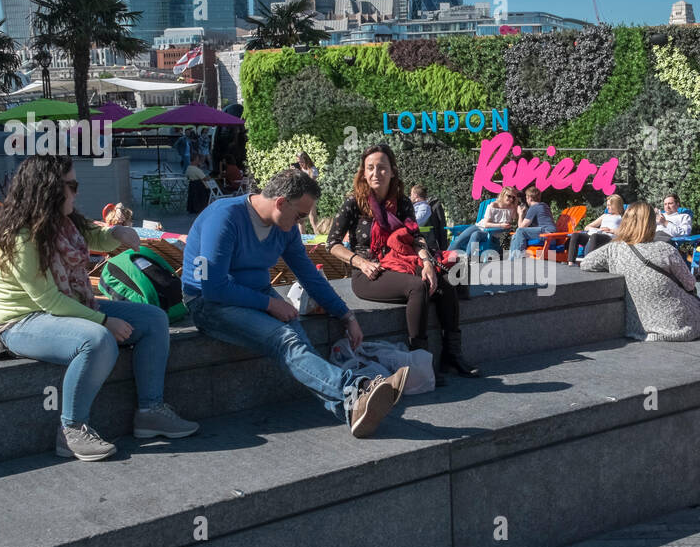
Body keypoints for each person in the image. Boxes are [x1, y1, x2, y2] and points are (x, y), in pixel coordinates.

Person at [0, 154, 197, 461]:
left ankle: (151, 412)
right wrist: (103, 320)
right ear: (48, 189)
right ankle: (71, 430)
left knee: (153, 319)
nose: (77, 190)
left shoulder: (62, 221)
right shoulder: (22, 238)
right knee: (97, 340)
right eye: (71, 185)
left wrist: (117, 234)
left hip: (67, 306)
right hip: (22, 321)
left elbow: (94, 236)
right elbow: (48, 301)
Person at [185, 167, 409, 437]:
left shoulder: (285, 228)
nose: (301, 221)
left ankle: (351, 411)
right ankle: (357, 389)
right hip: (208, 303)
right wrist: (270, 305)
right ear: (280, 202)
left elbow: (309, 276)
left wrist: (345, 315)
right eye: (300, 215)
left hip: (253, 295)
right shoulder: (223, 218)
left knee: (297, 340)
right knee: (285, 339)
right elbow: (213, 287)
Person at [329, 144, 479, 382]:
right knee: (417, 287)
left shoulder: (402, 203)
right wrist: (360, 263)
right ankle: (419, 361)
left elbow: (416, 237)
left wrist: (428, 263)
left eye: (381, 167)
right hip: (370, 273)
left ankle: (452, 354)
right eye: (370, 168)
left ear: (392, 172)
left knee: (445, 285)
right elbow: (333, 244)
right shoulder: (354, 203)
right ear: (363, 172)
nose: (375, 173)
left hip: (402, 263)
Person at [579, 201, 700, 342]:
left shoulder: (613, 250)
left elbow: (586, 263)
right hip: (683, 327)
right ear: (651, 224)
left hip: (639, 328)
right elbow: (689, 284)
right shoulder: (665, 249)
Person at [449, 186, 520, 257]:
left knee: (476, 234)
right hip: (480, 227)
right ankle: (444, 257)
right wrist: (501, 225)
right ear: (503, 194)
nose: (511, 199)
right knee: (459, 240)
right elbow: (486, 224)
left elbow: (513, 222)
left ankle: (467, 258)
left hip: (491, 233)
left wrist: (516, 205)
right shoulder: (494, 205)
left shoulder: (512, 208)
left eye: (513, 197)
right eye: (509, 196)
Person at [567, 194, 624, 266]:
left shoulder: (622, 217)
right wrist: (598, 229)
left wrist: (611, 230)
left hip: (609, 239)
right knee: (576, 235)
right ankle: (571, 263)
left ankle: (588, 264)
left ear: (616, 205)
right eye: (607, 205)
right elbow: (587, 227)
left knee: (595, 236)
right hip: (597, 235)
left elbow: (626, 232)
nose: (607, 207)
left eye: (609, 205)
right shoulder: (604, 216)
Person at [508, 186, 556, 259]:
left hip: (546, 234)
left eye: (526, 198)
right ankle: (512, 259)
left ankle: (514, 259)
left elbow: (521, 227)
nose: (526, 200)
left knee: (520, 231)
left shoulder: (534, 207)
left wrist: (520, 214)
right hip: (552, 236)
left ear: (529, 198)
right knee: (515, 235)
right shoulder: (544, 206)